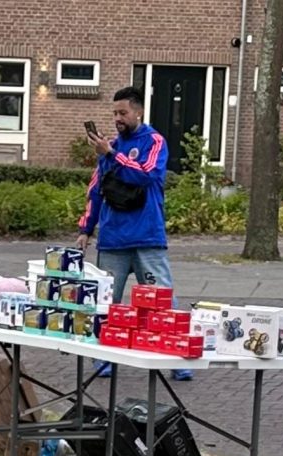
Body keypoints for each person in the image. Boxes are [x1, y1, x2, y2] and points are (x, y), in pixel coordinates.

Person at [79, 89, 188, 378]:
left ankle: (177, 359)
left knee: (160, 301)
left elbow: (147, 174)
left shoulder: (154, 141)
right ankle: (103, 359)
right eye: (114, 113)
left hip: (146, 237)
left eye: (123, 113)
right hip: (113, 240)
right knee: (105, 303)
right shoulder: (110, 146)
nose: (117, 118)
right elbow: (97, 188)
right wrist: (86, 229)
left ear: (138, 112)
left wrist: (113, 155)